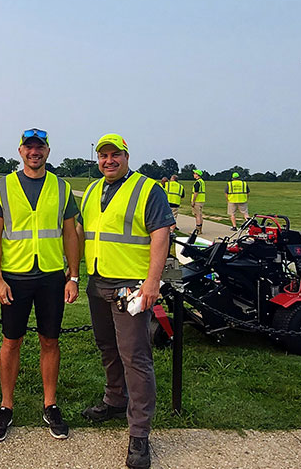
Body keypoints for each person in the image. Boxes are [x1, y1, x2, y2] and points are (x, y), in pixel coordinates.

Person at [78, 133, 173, 469]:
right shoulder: (91, 190)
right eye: (103, 156)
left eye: (115, 155)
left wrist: (152, 281)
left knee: (135, 356)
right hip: (98, 281)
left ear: (126, 156)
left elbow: (162, 234)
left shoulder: (148, 189)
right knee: (108, 347)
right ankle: (115, 400)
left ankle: (139, 432)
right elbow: (83, 232)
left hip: (130, 287)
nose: (108, 161)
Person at [0, 128, 81, 442]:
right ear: (20, 151)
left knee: (50, 341)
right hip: (15, 277)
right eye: (29, 147)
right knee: (11, 342)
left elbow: (70, 235)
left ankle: (50, 404)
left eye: (39, 147)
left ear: (48, 152)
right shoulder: (3, 186)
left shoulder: (61, 187)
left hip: (52, 277)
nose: (34, 152)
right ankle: (6, 405)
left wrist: (73, 276)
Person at [191, 170, 206, 235]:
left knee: (197, 215)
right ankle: (200, 230)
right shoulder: (202, 182)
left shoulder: (197, 182)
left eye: (194, 173)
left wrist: (193, 201)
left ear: (197, 174)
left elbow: (196, 193)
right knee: (200, 215)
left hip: (197, 200)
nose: (193, 174)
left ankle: (197, 230)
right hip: (202, 200)